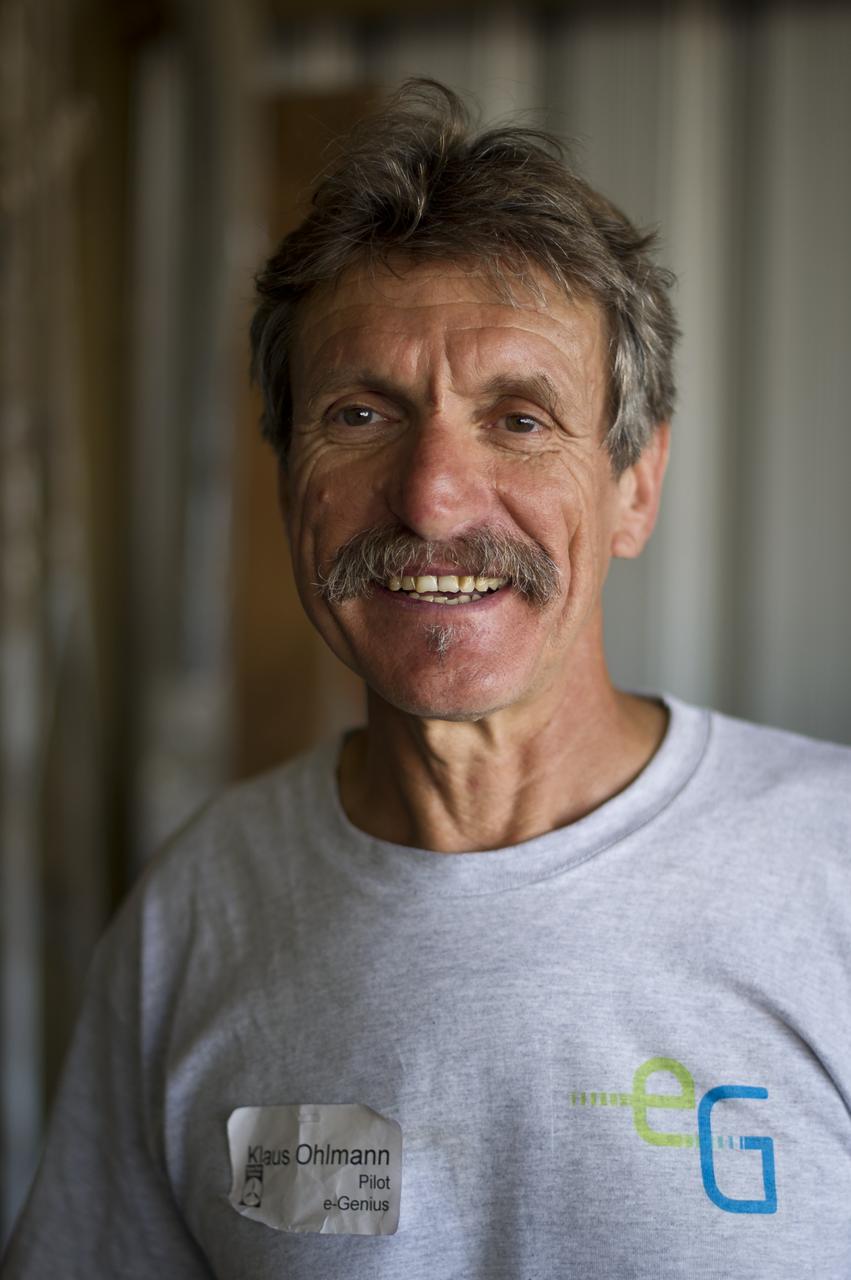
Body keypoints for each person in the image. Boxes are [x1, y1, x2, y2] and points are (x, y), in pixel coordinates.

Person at [4, 79, 851, 1280]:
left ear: (635, 486)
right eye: (360, 412)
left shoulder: (830, 874)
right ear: (285, 468)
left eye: (517, 418)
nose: (432, 495)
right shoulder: (195, 914)